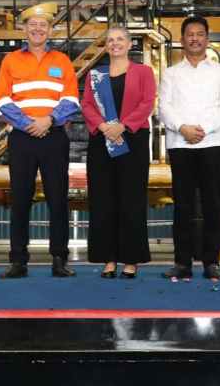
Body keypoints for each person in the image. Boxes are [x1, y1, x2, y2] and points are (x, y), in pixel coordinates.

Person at [0, 2, 80, 278]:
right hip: (22, 138)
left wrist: (49, 121)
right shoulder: (10, 61)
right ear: (24, 29)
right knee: (20, 199)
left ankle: (59, 259)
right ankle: (18, 261)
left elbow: (71, 100)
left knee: (58, 199)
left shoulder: (62, 61)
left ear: (50, 30)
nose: (37, 29)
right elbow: (2, 100)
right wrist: (29, 124)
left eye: (43, 25)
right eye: (32, 24)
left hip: (54, 137)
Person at [157, 15, 220, 281]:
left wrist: (201, 129)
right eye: (190, 34)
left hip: (212, 143)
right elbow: (164, 108)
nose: (195, 38)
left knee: (213, 203)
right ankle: (182, 263)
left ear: (207, 39)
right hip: (180, 145)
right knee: (183, 205)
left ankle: (212, 262)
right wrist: (183, 128)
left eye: (200, 34)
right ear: (182, 40)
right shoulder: (171, 73)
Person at [81, 27, 156, 279]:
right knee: (103, 200)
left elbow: (147, 102)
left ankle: (131, 260)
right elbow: (87, 105)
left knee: (131, 199)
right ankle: (108, 259)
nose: (115, 43)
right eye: (110, 40)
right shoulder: (95, 75)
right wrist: (104, 127)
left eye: (120, 39)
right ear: (105, 45)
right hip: (102, 140)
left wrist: (123, 126)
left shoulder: (144, 72)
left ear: (130, 43)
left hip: (132, 140)